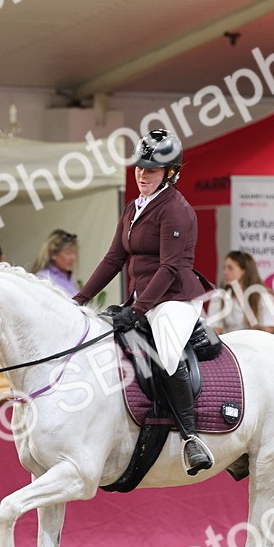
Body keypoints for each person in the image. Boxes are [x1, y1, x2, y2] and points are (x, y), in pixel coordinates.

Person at [72, 129, 215, 476]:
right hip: (144, 298)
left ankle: (191, 437)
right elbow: (113, 259)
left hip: (174, 299)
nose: (142, 174)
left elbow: (168, 268)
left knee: (166, 354)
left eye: (151, 170)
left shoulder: (175, 210)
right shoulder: (133, 208)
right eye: (139, 168)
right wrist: (79, 299)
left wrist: (137, 311)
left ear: (171, 173)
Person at [206, 250, 274, 334]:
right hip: (228, 341)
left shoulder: (264, 296)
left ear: (244, 271)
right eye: (224, 268)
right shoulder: (219, 296)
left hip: (254, 341)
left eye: (230, 268)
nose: (225, 272)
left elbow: (269, 329)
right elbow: (213, 329)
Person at [32, 229, 80, 297]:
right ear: (53, 254)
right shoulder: (44, 278)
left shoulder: (71, 280)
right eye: (68, 253)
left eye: (75, 253)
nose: (73, 258)